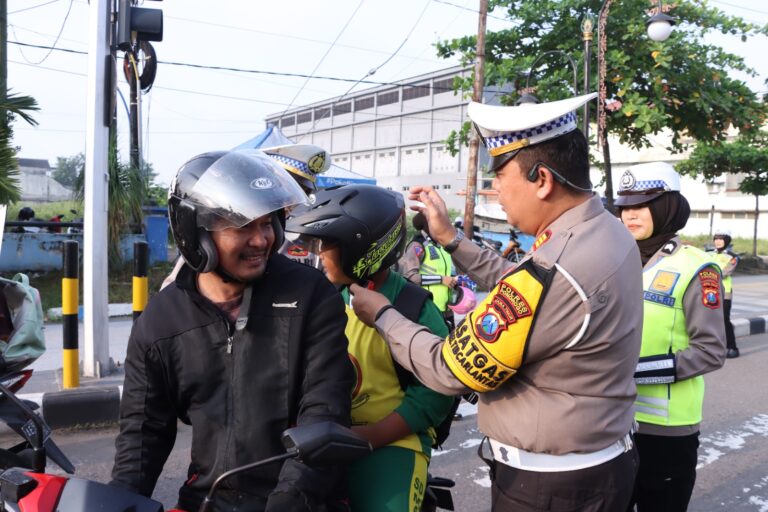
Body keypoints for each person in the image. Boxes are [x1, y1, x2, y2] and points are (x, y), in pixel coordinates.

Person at [348, 93, 643, 511]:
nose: (496, 191)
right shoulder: (604, 232)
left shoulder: (559, 266)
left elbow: (450, 369)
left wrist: (382, 315)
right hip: (595, 463)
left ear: (542, 179)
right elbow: (525, 289)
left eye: (501, 177)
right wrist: (451, 238)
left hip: (550, 486)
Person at [110, 149, 354, 512]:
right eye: (243, 226)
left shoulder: (309, 295)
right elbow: (142, 436)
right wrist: (116, 502)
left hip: (302, 500)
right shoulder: (161, 321)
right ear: (196, 233)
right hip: (209, 500)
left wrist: (290, 499)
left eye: (267, 222)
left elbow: (324, 409)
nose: (262, 240)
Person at [286, 184, 454, 512]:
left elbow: (435, 395)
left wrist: (370, 437)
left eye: (328, 244)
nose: (318, 253)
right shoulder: (318, 297)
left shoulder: (411, 305)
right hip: (319, 437)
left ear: (360, 248)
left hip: (392, 442)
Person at [615, 162, 726, 512]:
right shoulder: (613, 258)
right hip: (609, 423)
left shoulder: (697, 268)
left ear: (667, 207)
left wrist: (630, 372)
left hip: (665, 432)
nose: (629, 215)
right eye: (624, 207)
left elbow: (710, 351)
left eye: (641, 205)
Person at [161, 144, 330, 289]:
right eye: (283, 186)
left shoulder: (308, 236)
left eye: (304, 191)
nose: (290, 199)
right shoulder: (214, 240)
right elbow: (175, 293)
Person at [398, 212, 457, 330]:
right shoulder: (417, 246)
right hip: (429, 311)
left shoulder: (441, 246)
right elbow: (410, 277)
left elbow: (447, 273)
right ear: (427, 225)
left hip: (447, 310)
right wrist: (441, 279)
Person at [709, 228, 740, 358]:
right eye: (716, 239)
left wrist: (707, 274)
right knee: (709, 319)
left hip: (724, 292)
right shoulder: (709, 254)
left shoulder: (732, 257)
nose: (718, 241)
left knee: (724, 319)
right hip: (708, 291)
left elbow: (725, 272)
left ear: (726, 241)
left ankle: (732, 347)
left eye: (721, 239)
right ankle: (715, 346)